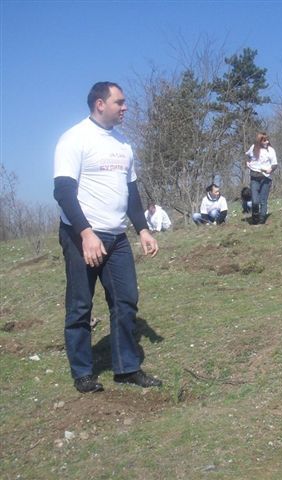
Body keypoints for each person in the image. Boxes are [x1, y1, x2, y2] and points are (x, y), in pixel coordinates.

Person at [53, 81, 162, 393]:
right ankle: (83, 373)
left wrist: (142, 229)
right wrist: (85, 234)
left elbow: (131, 191)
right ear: (100, 104)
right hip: (81, 236)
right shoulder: (74, 139)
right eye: (120, 102)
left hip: (117, 237)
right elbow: (63, 191)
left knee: (126, 300)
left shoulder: (123, 143)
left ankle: (126, 368)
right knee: (80, 306)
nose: (125, 107)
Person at [245, 132, 277, 224]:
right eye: (264, 140)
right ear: (259, 141)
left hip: (266, 178)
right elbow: (246, 155)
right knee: (255, 201)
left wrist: (270, 170)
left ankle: (262, 220)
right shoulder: (253, 148)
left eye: (267, 140)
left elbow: (275, 164)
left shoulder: (271, 150)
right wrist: (247, 162)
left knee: (263, 200)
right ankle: (255, 218)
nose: (267, 142)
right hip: (254, 177)